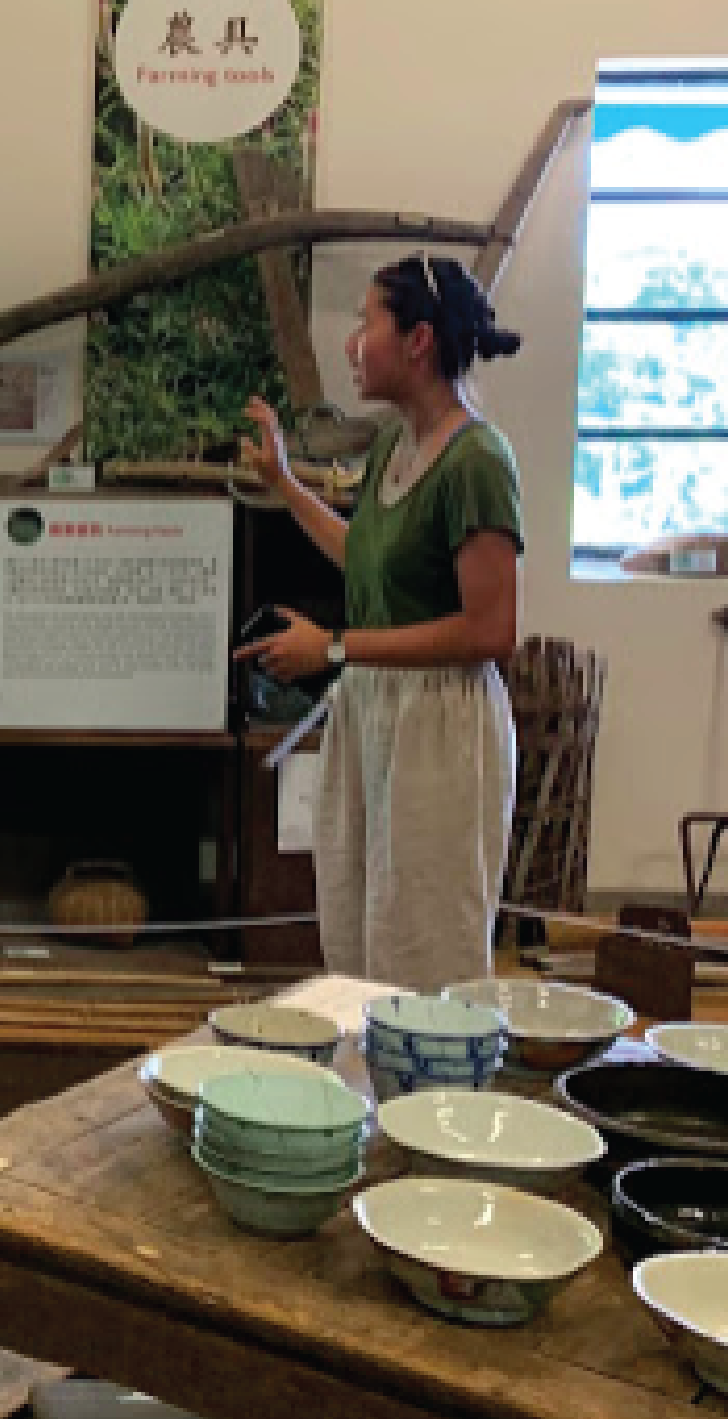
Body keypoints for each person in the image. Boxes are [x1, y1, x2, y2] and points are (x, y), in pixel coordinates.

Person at [235, 252, 527, 993]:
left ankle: (437, 1102)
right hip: (375, 709)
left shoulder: (476, 462)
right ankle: (368, 1095)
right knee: (359, 933)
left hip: (439, 725)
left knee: (427, 944)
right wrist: (286, 486)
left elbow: (489, 631)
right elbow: (366, 560)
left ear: (417, 340)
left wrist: (331, 645)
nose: (351, 343)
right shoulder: (396, 445)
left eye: (366, 321)